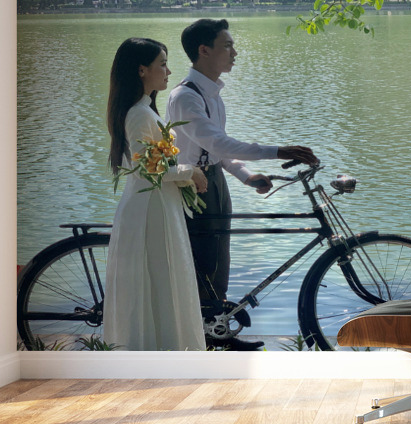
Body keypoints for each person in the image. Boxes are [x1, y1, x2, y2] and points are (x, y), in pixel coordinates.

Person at [167, 19, 319, 351]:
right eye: (227, 46)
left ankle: (217, 331)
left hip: (213, 180)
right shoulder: (185, 97)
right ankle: (203, 334)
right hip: (192, 186)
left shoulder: (211, 92)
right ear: (203, 50)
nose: (234, 52)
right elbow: (219, 143)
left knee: (220, 258)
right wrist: (278, 151)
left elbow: (217, 152)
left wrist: (246, 176)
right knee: (204, 261)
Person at [104, 38, 209, 351]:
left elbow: (153, 167)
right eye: (162, 63)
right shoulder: (138, 115)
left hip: (157, 204)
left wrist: (184, 175)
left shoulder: (143, 110)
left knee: (162, 280)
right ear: (141, 70)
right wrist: (190, 171)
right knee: (158, 281)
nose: (168, 70)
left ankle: (167, 353)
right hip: (150, 208)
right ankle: (159, 354)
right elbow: (147, 171)